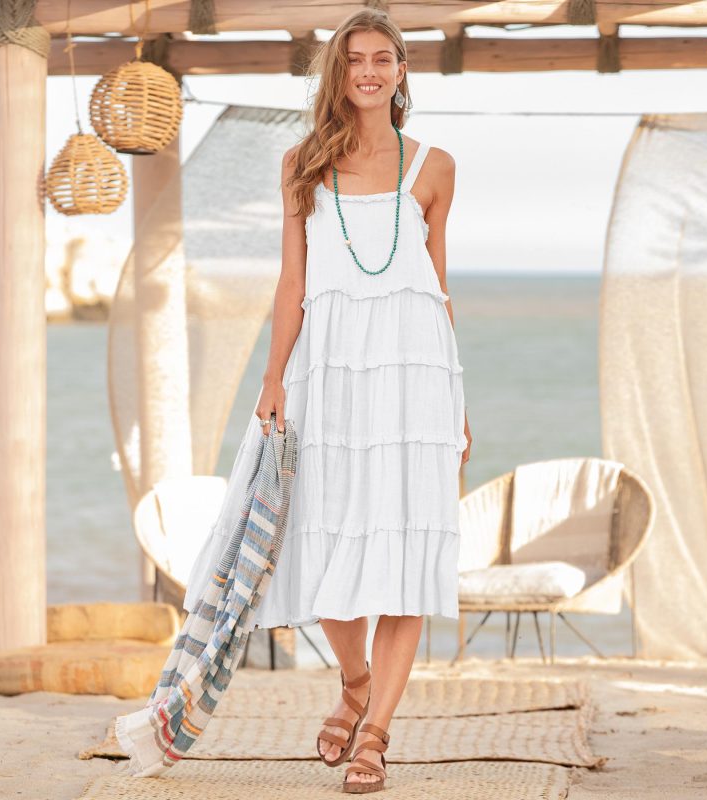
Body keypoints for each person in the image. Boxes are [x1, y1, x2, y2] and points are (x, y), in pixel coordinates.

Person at [206, 7, 471, 793]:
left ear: (401, 70)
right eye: (355, 60)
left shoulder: (436, 167)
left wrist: (457, 403)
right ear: (338, 72)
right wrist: (272, 378)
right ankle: (354, 681)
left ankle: (375, 734)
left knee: (408, 547)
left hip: (417, 378)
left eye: (382, 58)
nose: (368, 71)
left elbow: (437, 290)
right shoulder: (303, 163)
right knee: (322, 542)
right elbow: (292, 282)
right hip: (328, 373)